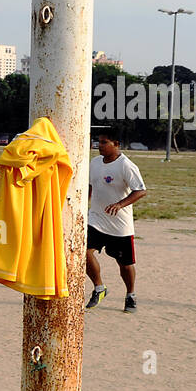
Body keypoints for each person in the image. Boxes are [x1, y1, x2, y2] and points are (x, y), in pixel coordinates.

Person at [86, 134, 147, 312]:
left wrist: (120, 204)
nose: (100, 145)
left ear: (116, 144)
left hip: (120, 225)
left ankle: (130, 295)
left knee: (125, 265)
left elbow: (141, 191)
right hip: (96, 219)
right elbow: (91, 186)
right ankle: (99, 288)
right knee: (84, 252)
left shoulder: (126, 165)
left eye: (104, 142)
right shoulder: (95, 162)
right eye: (99, 142)